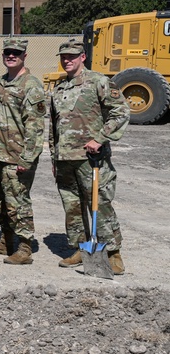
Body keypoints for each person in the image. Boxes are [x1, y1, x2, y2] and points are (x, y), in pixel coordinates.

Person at [50, 38, 130, 274]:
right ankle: (80, 248)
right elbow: (54, 127)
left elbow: (121, 111)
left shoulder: (99, 82)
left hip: (91, 159)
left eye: (72, 56)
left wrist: (100, 138)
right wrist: (54, 156)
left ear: (82, 57)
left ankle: (114, 254)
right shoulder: (60, 87)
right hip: (65, 158)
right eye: (64, 57)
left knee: (101, 205)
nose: (67, 60)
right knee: (72, 206)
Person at [0, 36, 46, 265]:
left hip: (17, 156)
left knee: (18, 202)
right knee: (0, 201)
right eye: (7, 52)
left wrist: (28, 157)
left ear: (24, 56)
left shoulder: (31, 85)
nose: (11, 56)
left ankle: (25, 247)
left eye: (16, 52)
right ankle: (6, 238)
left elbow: (35, 126)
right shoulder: (0, 82)